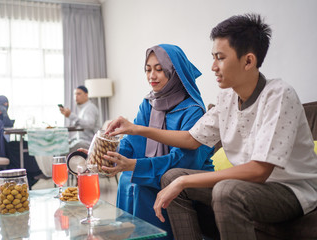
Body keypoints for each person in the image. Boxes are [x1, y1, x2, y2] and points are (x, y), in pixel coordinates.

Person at [105, 14, 317, 240]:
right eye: (213, 57)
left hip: (290, 192)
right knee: (171, 177)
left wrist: (184, 180)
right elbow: (190, 139)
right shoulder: (227, 98)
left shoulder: (279, 95)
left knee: (225, 191)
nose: (213, 67)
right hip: (246, 185)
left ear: (248, 61)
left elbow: (259, 170)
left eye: (220, 58)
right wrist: (135, 129)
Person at [99, 44, 214, 239]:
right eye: (148, 69)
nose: (152, 76)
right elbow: (132, 143)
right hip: (161, 171)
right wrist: (106, 153)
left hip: (188, 176)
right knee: (128, 179)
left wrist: (134, 165)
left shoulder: (194, 110)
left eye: (159, 70)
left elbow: (183, 162)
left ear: (175, 73)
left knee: (140, 182)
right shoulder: (149, 103)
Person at [0, 95, 42, 187]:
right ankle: (32, 175)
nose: (4, 108)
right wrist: (4, 114)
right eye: (2, 106)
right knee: (17, 150)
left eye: (6, 106)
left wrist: (4, 113)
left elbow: (8, 124)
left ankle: (29, 178)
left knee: (22, 145)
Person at [60, 85, 100, 151]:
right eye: (75, 94)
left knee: (63, 150)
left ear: (86, 95)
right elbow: (81, 131)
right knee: (63, 144)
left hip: (90, 142)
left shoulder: (90, 108)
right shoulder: (83, 109)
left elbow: (90, 125)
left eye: (79, 94)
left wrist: (70, 115)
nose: (76, 96)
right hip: (82, 140)